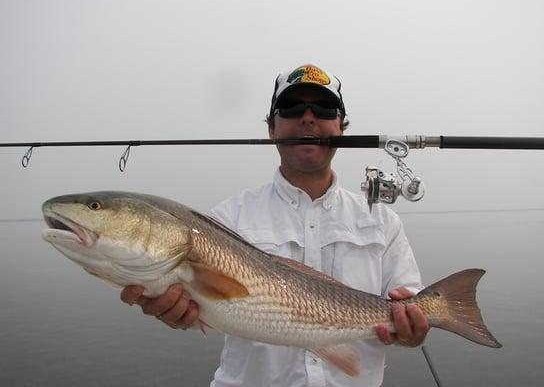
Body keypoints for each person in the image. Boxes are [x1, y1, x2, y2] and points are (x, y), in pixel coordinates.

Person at [120, 64, 430, 386]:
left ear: (341, 128)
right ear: (271, 129)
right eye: (292, 108)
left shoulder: (382, 221)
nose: (308, 117)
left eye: (324, 109)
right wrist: (176, 310)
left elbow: (411, 300)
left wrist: (414, 329)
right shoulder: (227, 221)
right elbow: (194, 300)